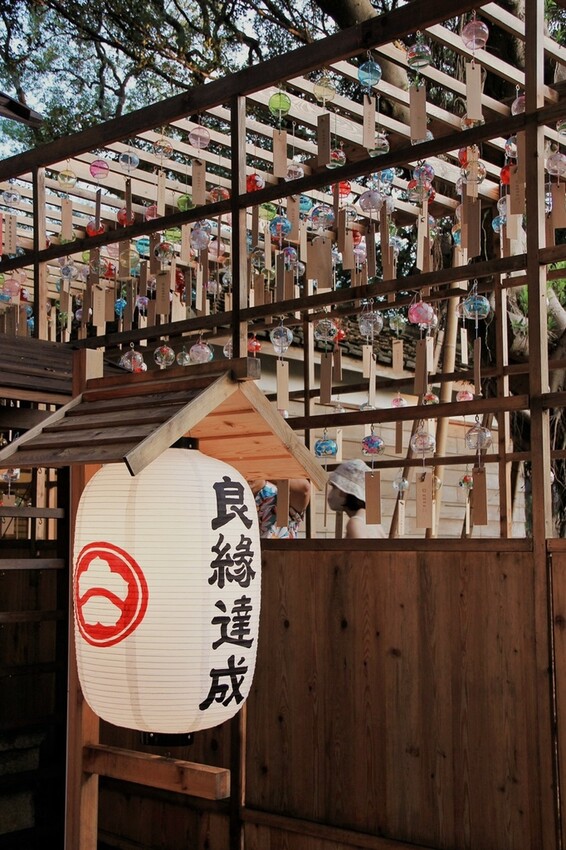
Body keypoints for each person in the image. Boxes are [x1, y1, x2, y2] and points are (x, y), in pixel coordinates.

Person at [327, 459, 386, 539]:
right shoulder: (373, 523)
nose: (331, 492)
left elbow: (362, 547)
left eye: (334, 487)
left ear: (345, 491)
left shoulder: (356, 523)